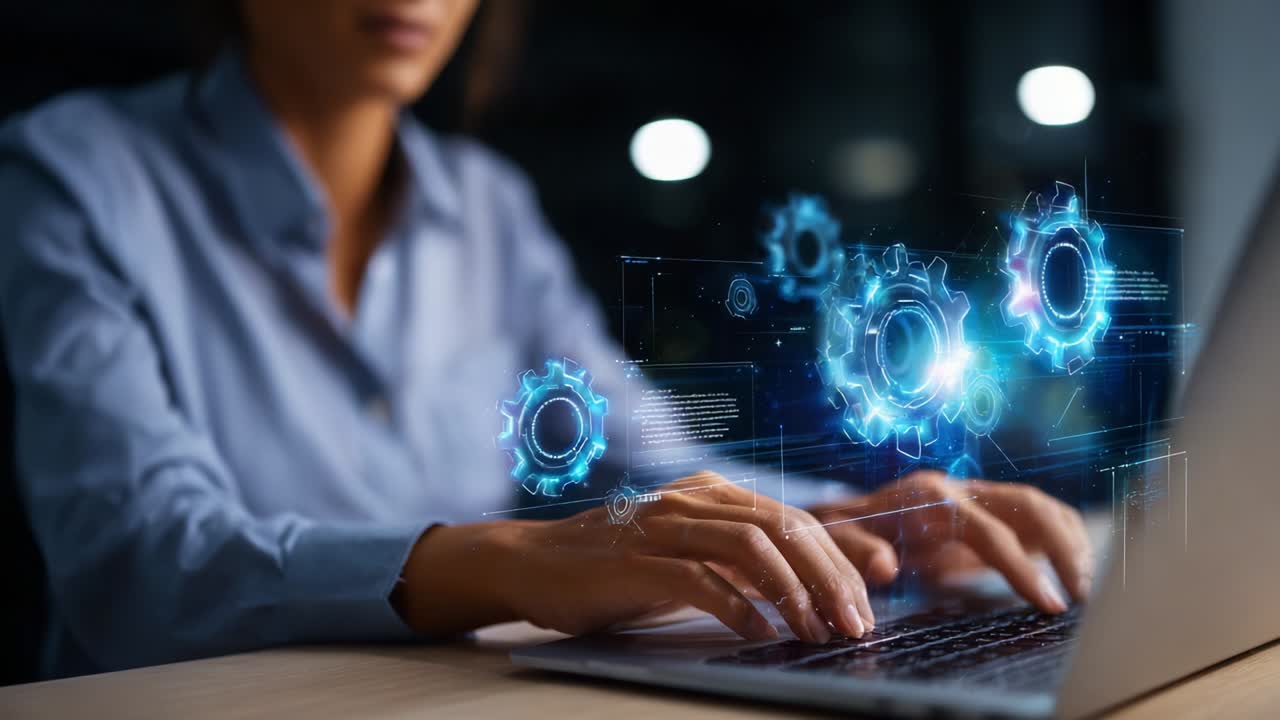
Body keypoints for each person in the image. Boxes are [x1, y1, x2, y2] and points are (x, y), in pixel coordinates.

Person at [0, 0, 1091, 678]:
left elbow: (651, 470)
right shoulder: (72, 176)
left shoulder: (487, 207)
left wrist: (842, 518)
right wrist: (514, 561)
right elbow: (138, 564)